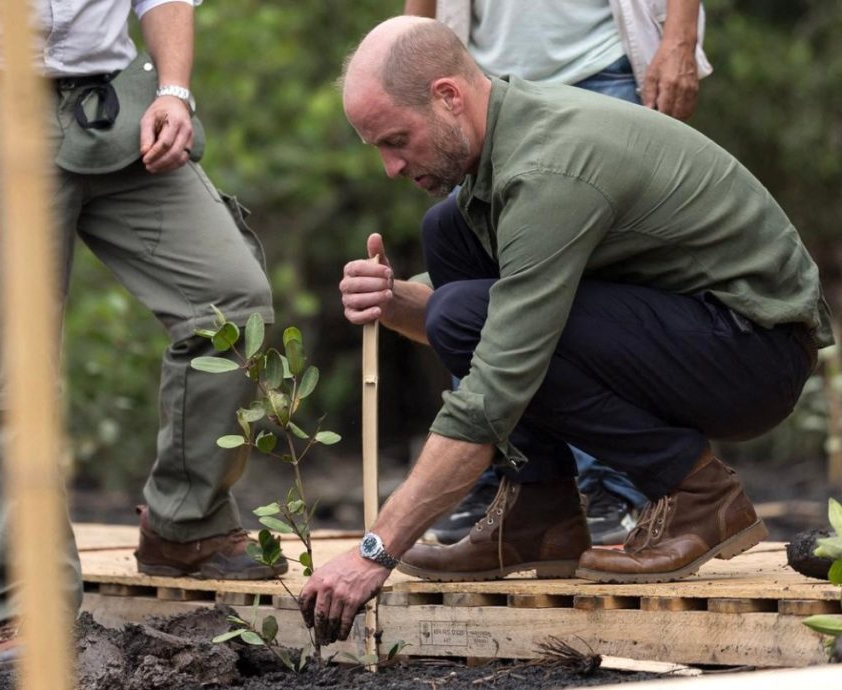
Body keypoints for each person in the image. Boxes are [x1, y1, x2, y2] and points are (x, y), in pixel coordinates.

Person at [299, 16, 830, 646]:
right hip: (693, 326)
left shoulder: (547, 173)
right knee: (449, 238)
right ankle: (539, 510)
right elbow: (462, 324)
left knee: (470, 314)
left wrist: (374, 552)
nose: (390, 166)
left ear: (448, 96)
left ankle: (695, 490)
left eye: (396, 140)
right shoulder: (506, 136)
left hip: (752, 349)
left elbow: (497, 377)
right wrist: (395, 302)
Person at [0, 0, 284, 662]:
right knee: (13, 362)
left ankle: (186, 524)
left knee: (231, 302)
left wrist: (175, 92)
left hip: (113, 99)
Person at [404, 0, 713, 546]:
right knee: (462, 266)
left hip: (604, 66)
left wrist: (680, 37)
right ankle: (512, 484)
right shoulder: (452, 101)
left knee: (598, 291)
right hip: (482, 80)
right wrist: (411, 61)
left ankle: (617, 487)